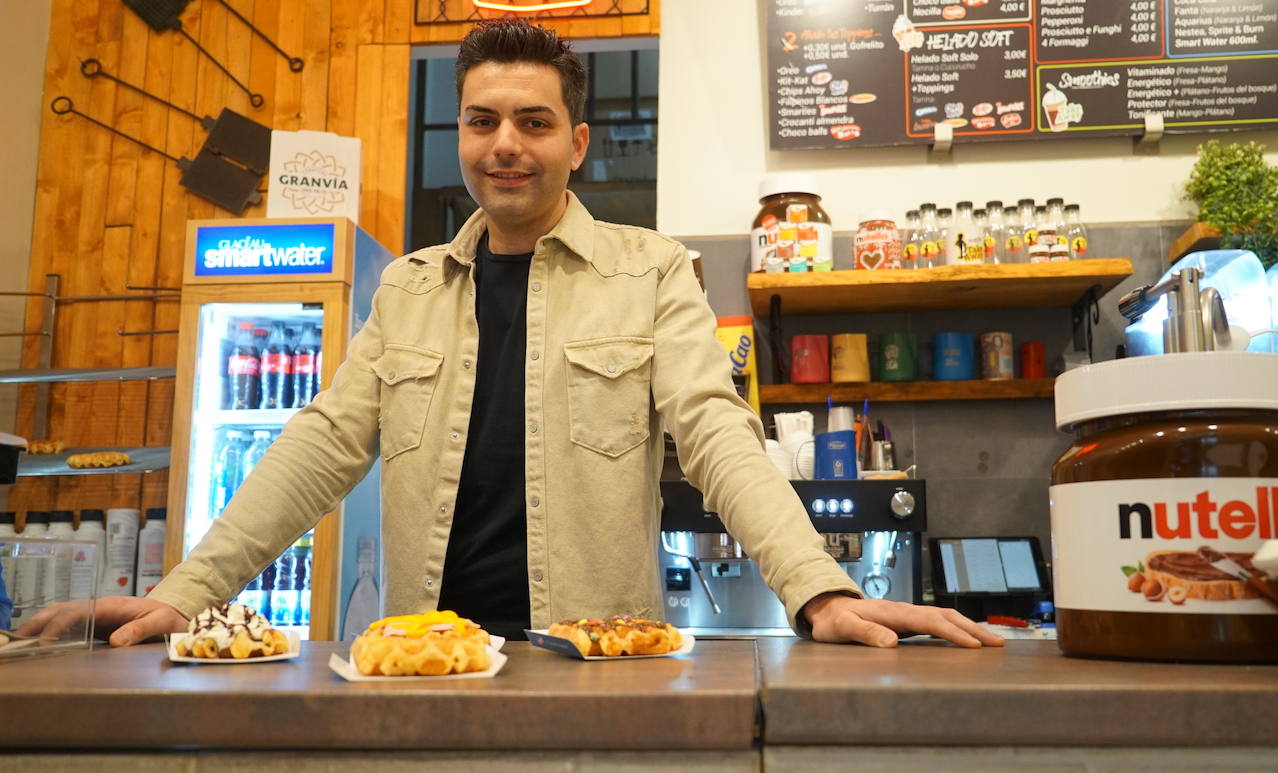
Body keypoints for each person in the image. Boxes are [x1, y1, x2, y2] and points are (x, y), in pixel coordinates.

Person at [23, 20, 1001, 651]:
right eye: (483, 120)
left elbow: (714, 431)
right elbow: (320, 444)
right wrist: (187, 588)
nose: (505, 143)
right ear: (460, 135)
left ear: (576, 142)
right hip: (424, 662)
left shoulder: (652, 269)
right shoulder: (408, 288)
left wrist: (818, 589)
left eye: (534, 122)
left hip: (599, 666)